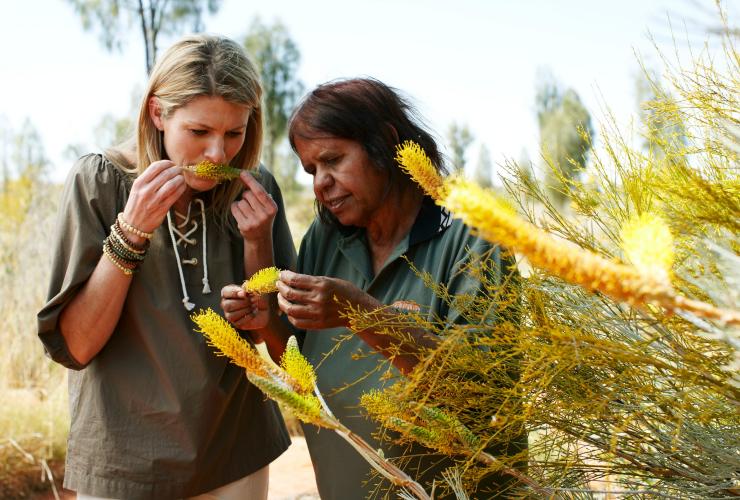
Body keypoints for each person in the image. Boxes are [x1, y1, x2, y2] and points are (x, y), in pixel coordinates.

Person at [221, 77, 525, 499]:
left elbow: (477, 394)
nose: (319, 184)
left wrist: (361, 313)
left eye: (333, 160)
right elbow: (299, 358)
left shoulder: (473, 238)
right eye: (311, 170)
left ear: (385, 142)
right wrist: (269, 324)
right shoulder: (325, 240)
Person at [37, 34, 296, 499]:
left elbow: (283, 349)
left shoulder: (257, 190)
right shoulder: (99, 182)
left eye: (234, 133)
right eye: (199, 132)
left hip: (236, 452)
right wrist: (132, 231)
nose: (218, 154)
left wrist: (258, 243)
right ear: (158, 113)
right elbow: (76, 346)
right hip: (125, 463)